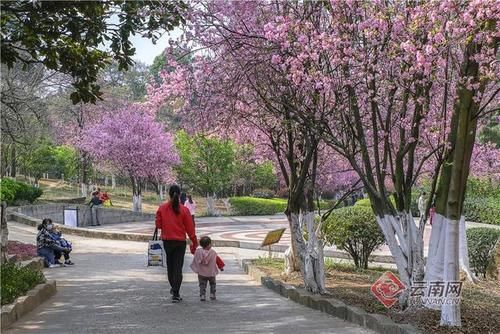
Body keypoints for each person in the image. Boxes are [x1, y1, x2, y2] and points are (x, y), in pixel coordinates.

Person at [155, 185, 198, 303]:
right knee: (178, 268)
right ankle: (176, 293)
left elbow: (158, 225)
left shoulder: (162, 208)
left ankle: (174, 289)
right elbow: (190, 228)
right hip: (180, 242)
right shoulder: (184, 210)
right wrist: (194, 242)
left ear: (169, 194)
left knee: (170, 267)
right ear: (179, 195)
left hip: (167, 241)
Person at [190, 236, 225, 301]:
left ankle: (202, 295)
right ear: (209, 244)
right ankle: (212, 294)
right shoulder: (213, 252)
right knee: (212, 284)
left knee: (202, 284)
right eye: (210, 243)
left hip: (201, 273)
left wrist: (191, 245)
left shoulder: (198, 252)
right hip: (211, 272)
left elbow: (193, 251)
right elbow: (217, 260)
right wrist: (221, 267)